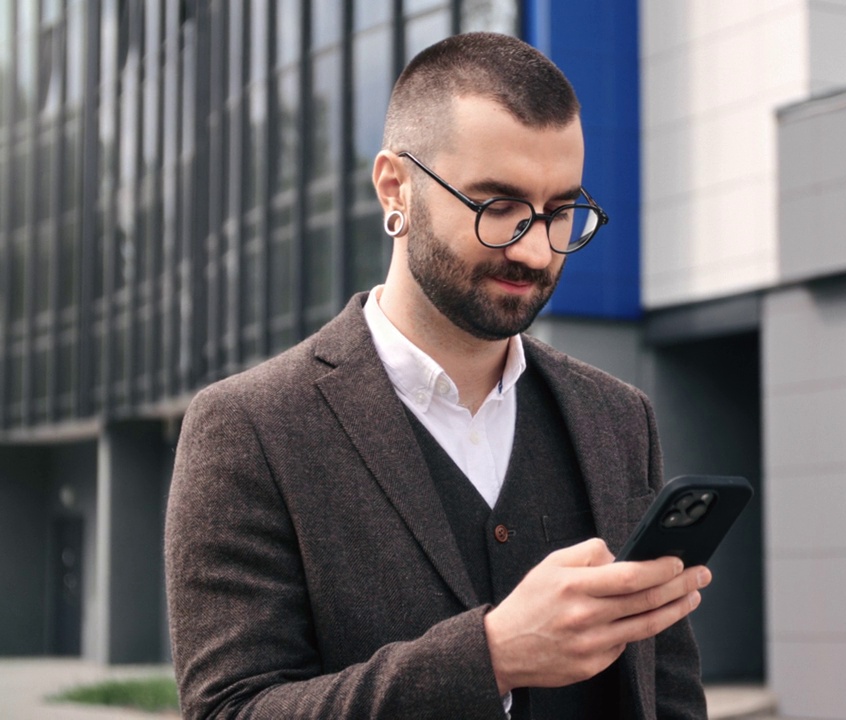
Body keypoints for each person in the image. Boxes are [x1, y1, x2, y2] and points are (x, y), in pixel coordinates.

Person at [164, 32, 710, 719]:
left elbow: (670, 696)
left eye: (561, 211)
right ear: (396, 188)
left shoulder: (618, 417)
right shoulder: (248, 428)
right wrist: (493, 658)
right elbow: (229, 711)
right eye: (497, 207)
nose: (537, 249)